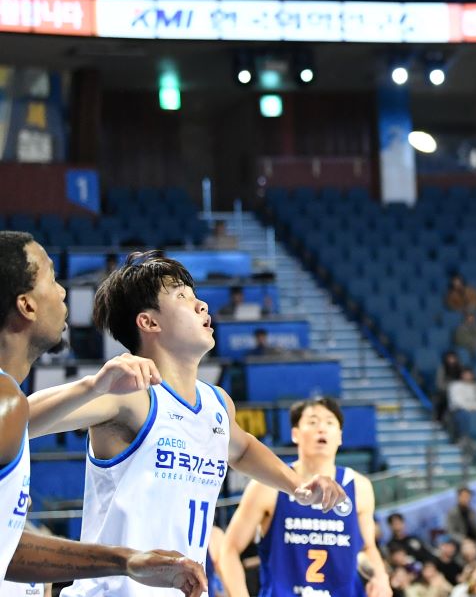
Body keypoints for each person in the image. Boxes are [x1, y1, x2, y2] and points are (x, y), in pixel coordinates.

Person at [25, 250, 347, 597]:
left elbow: (241, 450)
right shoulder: (129, 394)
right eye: (182, 297)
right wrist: (92, 386)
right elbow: (16, 421)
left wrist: (296, 486)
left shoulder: (217, 403)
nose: (202, 305)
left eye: (196, 296)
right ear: (149, 323)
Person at [0, 232, 208, 593]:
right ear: (27, 306)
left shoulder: (13, 401)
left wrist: (127, 561)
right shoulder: (7, 404)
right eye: (52, 278)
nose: (63, 292)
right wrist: (124, 560)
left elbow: (7, 550)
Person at [218, 396, 391, 597]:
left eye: (329, 422)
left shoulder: (359, 486)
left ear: (340, 436)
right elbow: (229, 549)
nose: (322, 428)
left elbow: (367, 548)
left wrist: (380, 577)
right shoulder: (267, 485)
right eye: (313, 422)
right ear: (295, 434)